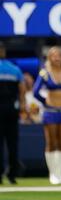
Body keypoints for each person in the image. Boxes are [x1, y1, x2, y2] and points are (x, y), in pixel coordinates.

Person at [33, 47, 61, 185]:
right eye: (53, 56)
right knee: (51, 142)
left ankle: (60, 173)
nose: (57, 58)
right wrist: (45, 101)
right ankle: (53, 174)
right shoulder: (44, 73)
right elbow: (36, 91)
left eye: (59, 55)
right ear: (49, 58)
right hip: (50, 111)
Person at [0, 42, 25, 184]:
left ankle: (11, 172)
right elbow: (21, 91)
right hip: (11, 109)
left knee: (11, 143)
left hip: (10, 109)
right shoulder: (14, 69)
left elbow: (21, 91)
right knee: (12, 142)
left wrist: (22, 106)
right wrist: (21, 106)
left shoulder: (14, 69)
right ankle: (11, 173)